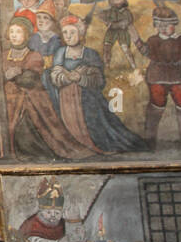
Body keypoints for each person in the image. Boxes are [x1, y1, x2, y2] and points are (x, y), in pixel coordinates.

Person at [45, 15, 148, 153]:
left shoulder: (90, 53)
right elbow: (54, 74)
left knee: (101, 130)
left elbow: (99, 80)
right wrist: (68, 77)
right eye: (65, 33)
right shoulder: (60, 52)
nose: (68, 36)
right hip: (66, 100)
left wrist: (81, 78)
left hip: (88, 99)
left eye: (72, 32)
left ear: (81, 34)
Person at [3, 17, 97, 160]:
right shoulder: (3, 56)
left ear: (26, 35)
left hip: (30, 101)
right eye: (12, 32)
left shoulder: (33, 55)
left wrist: (14, 75)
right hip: (7, 101)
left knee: (32, 132)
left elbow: (29, 80)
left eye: (18, 32)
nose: (14, 35)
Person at [131, 4, 181, 148]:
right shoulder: (154, 40)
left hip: (176, 77)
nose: (163, 28)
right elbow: (146, 51)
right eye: (159, 25)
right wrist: (136, 40)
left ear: (174, 25)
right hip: (157, 77)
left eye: (167, 25)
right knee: (157, 104)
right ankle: (150, 138)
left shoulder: (180, 40)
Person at [91, 0, 137, 70]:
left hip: (122, 33)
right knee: (106, 48)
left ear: (122, 0)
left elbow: (127, 21)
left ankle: (133, 66)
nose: (115, 1)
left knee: (126, 49)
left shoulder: (126, 12)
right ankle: (106, 66)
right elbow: (103, 14)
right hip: (111, 32)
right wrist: (100, 16)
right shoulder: (111, 11)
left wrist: (114, 25)